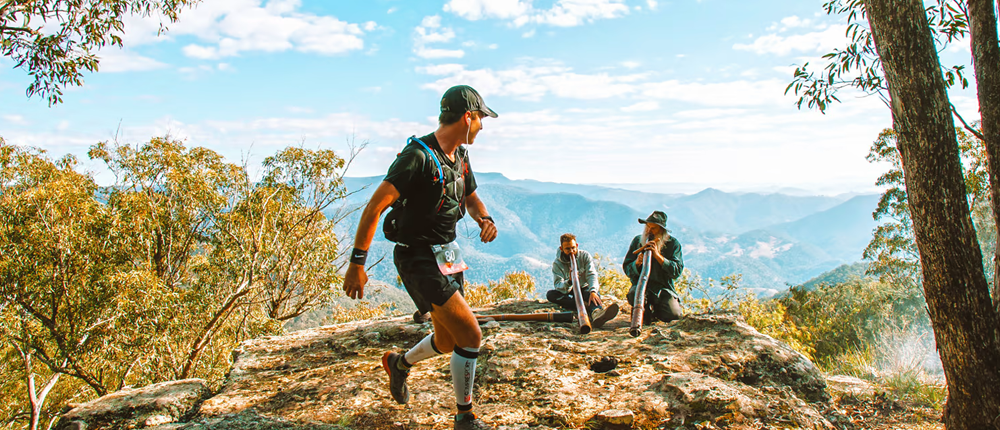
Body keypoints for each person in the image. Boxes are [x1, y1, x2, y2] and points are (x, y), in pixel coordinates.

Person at [343, 85, 499, 430]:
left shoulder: (460, 154)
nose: (483, 128)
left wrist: (484, 219)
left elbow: (470, 195)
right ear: (467, 116)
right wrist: (357, 263)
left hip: (449, 252)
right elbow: (375, 206)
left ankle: (399, 364)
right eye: (481, 119)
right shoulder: (416, 156)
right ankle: (465, 417)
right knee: (471, 336)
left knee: (446, 339)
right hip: (418, 257)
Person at [623, 211, 684, 324]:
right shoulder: (637, 241)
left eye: (653, 228)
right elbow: (627, 267)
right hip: (641, 286)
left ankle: (657, 312)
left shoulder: (673, 244)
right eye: (647, 227)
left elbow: (676, 271)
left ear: (662, 231)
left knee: (673, 316)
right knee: (634, 294)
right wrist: (636, 263)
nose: (649, 231)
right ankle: (644, 312)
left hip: (663, 289)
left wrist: (658, 256)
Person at [548, 233, 619, 328]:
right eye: (567, 249)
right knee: (551, 295)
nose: (571, 251)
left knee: (593, 296)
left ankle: (596, 313)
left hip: (583, 287)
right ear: (561, 249)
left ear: (577, 246)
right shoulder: (557, 264)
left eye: (573, 248)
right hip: (569, 291)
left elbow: (591, 274)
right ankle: (584, 305)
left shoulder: (584, 256)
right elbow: (558, 284)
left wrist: (593, 291)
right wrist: (569, 281)